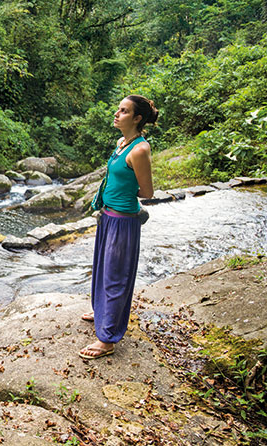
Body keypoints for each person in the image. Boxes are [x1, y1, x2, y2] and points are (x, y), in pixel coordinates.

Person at [79, 94, 158, 360]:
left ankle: (108, 339)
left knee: (116, 276)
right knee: (102, 268)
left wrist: (124, 195)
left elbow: (146, 191)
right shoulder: (121, 143)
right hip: (108, 216)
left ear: (137, 118)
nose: (116, 114)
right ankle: (101, 311)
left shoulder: (140, 149)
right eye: (118, 109)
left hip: (124, 221)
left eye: (123, 111)